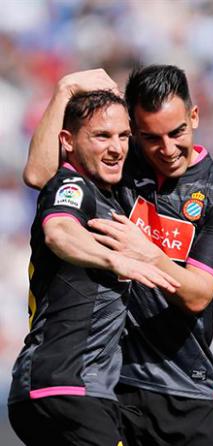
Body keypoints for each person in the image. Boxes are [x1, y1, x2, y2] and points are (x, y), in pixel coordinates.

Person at [24, 65, 213, 446]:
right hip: (115, 385)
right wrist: (64, 90)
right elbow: (40, 176)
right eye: (150, 137)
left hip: (185, 389)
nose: (167, 149)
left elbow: (197, 294)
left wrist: (148, 253)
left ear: (194, 116)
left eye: (177, 132)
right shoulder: (121, 162)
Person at [9, 90, 179, 446]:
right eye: (102, 136)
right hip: (65, 385)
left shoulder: (107, 194)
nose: (116, 147)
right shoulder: (72, 186)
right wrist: (115, 259)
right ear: (67, 141)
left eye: (123, 136)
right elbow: (59, 232)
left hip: (74, 389)